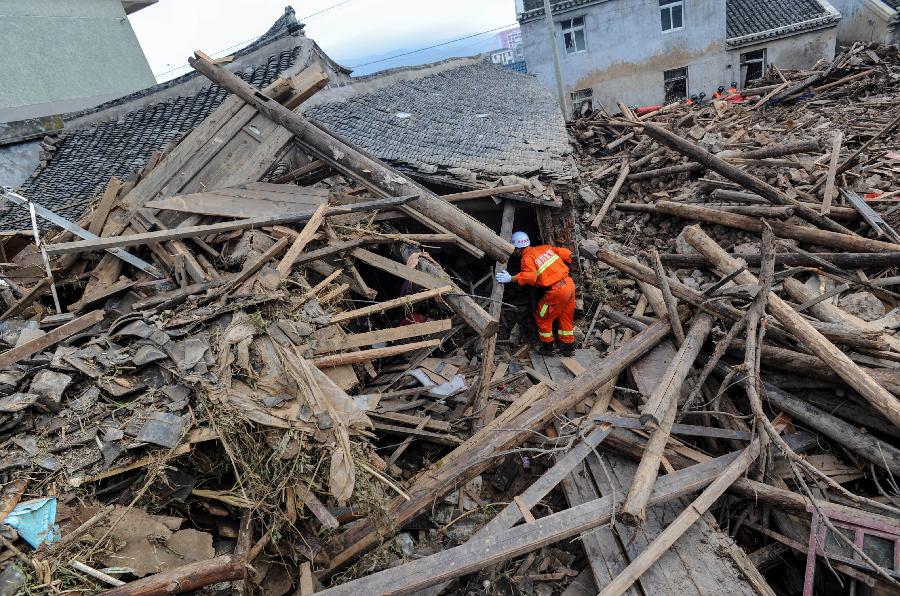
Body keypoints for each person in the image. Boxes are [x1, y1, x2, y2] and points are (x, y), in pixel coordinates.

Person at [496, 231, 577, 356]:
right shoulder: (544, 248)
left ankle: (548, 348)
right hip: (569, 285)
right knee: (565, 316)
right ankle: (568, 347)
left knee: (542, 317)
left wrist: (511, 278)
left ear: (517, 248)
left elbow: (530, 277)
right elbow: (566, 254)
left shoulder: (526, 258)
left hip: (557, 291)